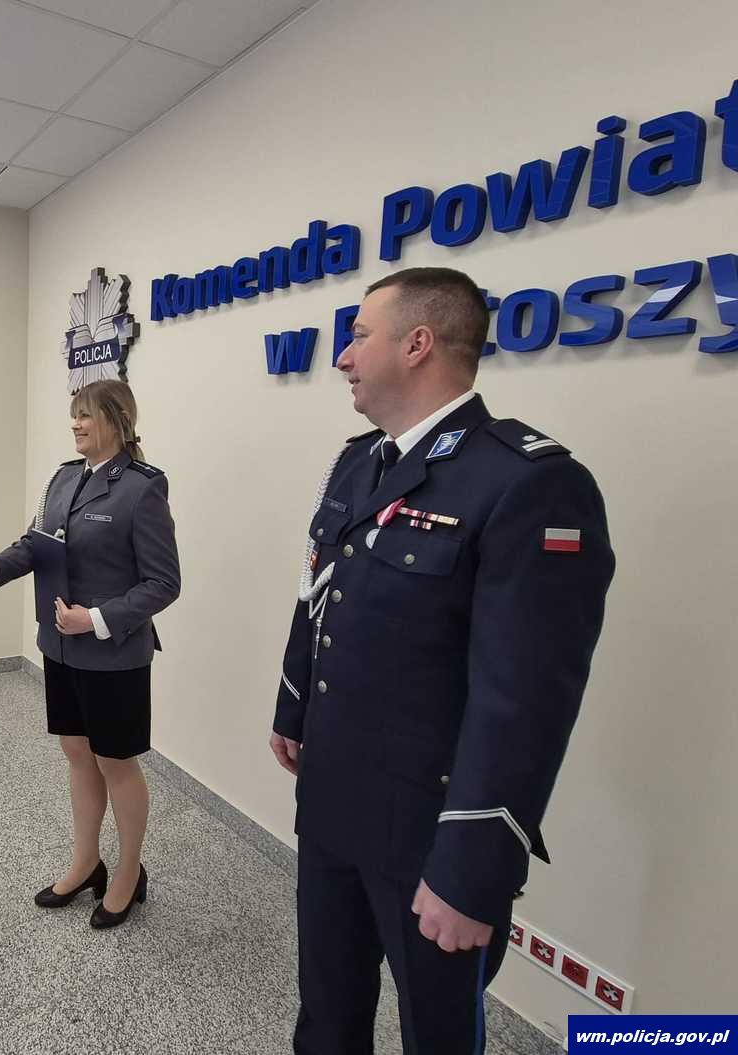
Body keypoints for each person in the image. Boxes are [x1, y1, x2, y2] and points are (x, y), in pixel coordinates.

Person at [271, 268, 615, 1054]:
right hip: (333, 800)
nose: (343, 357)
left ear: (417, 344)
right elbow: (318, 590)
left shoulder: (529, 482)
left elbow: (524, 702)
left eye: (359, 336)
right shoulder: (360, 461)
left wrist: (471, 870)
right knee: (326, 1014)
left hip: (430, 836)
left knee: (438, 1035)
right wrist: (294, 706)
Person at [0, 379, 180, 928]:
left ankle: (128, 871)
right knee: (78, 754)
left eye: (86, 415)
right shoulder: (62, 479)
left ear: (118, 421)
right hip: (60, 648)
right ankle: (86, 862)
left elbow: (163, 583)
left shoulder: (143, 488)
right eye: (73, 414)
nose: (75, 424)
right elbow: (33, 547)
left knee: (115, 761)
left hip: (113, 655)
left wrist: (96, 619)